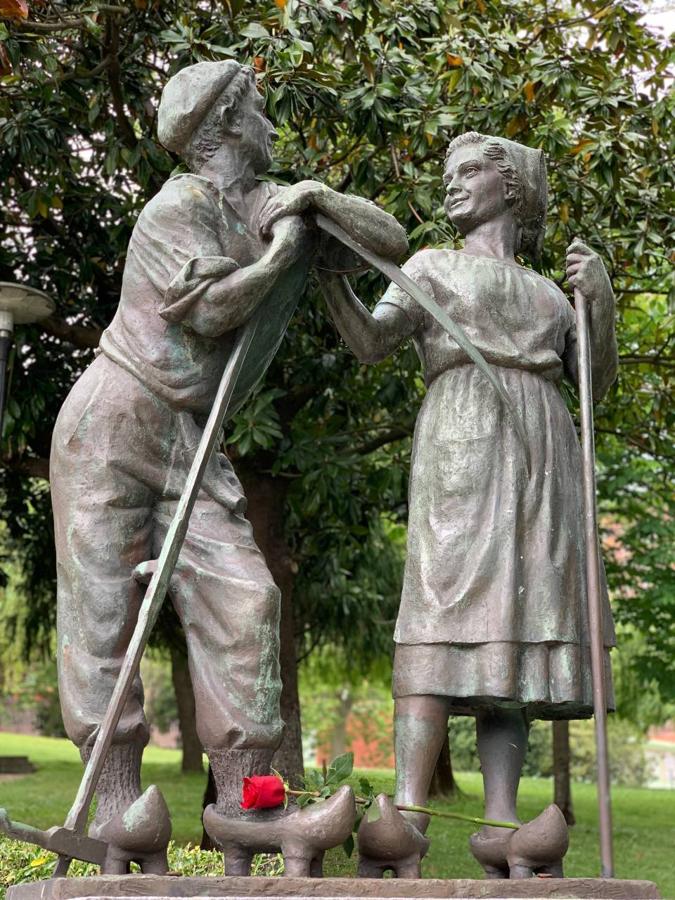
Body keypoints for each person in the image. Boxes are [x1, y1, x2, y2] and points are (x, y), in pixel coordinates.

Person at [50, 59, 407, 873]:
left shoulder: (278, 208)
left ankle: (247, 806)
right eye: (259, 110)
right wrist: (281, 257)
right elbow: (208, 312)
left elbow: (388, 245)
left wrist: (316, 200)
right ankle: (116, 808)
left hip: (194, 442)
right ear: (222, 127)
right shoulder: (176, 209)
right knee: (104, 617)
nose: (273, 124)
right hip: (116, 419)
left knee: (248, 603)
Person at [320, 132, 618, 878]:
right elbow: (369, 342)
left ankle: (501, 822)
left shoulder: (552, 293)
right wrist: (328, 279)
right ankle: (408, 815)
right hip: (461, 439)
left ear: (511, 187)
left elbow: (594, 387)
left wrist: (601, 304)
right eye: (445, 175)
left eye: (468, 172)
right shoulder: (427, 265)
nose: (449, 185)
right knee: (439, 607)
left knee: (512, 626)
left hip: (543, 447)